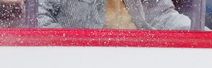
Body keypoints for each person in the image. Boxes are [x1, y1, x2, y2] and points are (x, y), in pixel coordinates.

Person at [38, 0, 193, 30]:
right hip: (80, 67)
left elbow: (163, 16)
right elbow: (38, 19)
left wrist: (203, 34)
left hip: (140, 62)